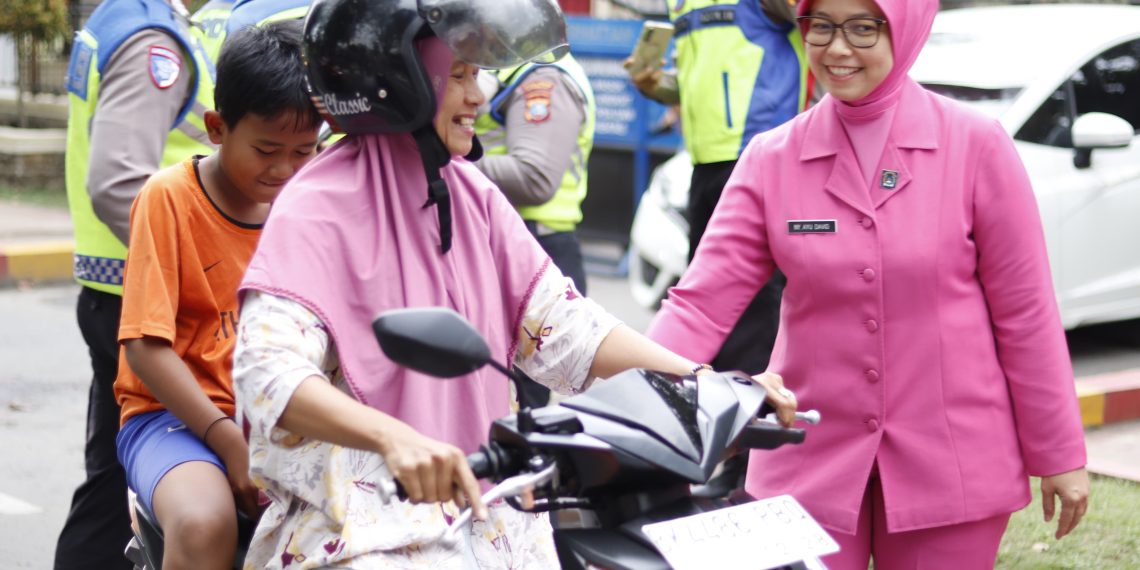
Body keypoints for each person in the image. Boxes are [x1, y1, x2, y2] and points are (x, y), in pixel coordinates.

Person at [230, 0, 796, 567]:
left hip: (488, 512)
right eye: (458, 76)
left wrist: (708, 384)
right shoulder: (315, 208)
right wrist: (391, 438)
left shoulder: (470, 195)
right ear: (394, 85)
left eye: (476, 74)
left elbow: (567, 329)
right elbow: (268, 374)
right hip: (362, 528)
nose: (478, 96)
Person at [645, 0, 1090, 567]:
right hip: (806, 458)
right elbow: (701, 305)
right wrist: (640, 404)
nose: (836, 47)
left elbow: (1025, 313)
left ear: (904, 26)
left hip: (953, 463)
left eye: (862, 26)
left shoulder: (976, 145)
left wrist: (1060, 452)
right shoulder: (769, 158)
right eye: (820, 25)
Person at [112, 21, 320, 570]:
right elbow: (144, 347)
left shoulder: (311, 203)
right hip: (174, 421)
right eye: (267, 149)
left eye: (304, 151)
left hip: (283, 417)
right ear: (216, 127)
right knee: (205, 522)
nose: (284, 170)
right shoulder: (168, 199)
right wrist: (228, 441)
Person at [58, 1, 216, 567]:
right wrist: (202, 267)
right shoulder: (155, 42)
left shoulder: (122, 16)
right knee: (120, 491)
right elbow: (118, 180)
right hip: (146, 299)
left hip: (117, 288)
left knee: (111, 481)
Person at [627, 0, 811, 376]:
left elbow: (825, 31)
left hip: (760, 156)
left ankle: (749, 412)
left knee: (754, 306)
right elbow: (696, 82)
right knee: (708, 296)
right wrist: (656, 85)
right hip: (702, 162)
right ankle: (713, 404)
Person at [473, 53, 595, 296]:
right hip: (510, 237)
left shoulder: (543, 74)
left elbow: (534, 177)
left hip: (537, 242)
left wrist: (447, 165)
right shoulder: (506, 65)